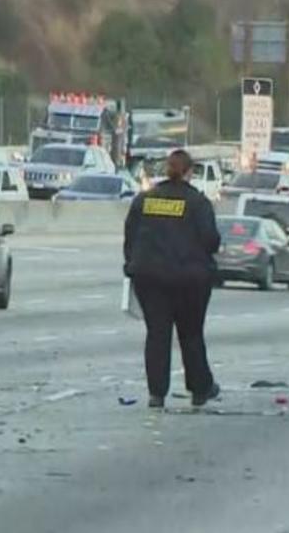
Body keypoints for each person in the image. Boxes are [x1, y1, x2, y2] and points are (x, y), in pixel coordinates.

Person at [123, 149, 222, 408]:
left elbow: (130, 237)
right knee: (190, 334)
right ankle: (199, 388)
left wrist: (133, 265)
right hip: (189, 280)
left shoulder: (144, 200)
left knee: (157, 334)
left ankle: (157, 393)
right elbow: (211, 241)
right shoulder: (197, 203)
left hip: (150, 277)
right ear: (189, 172)